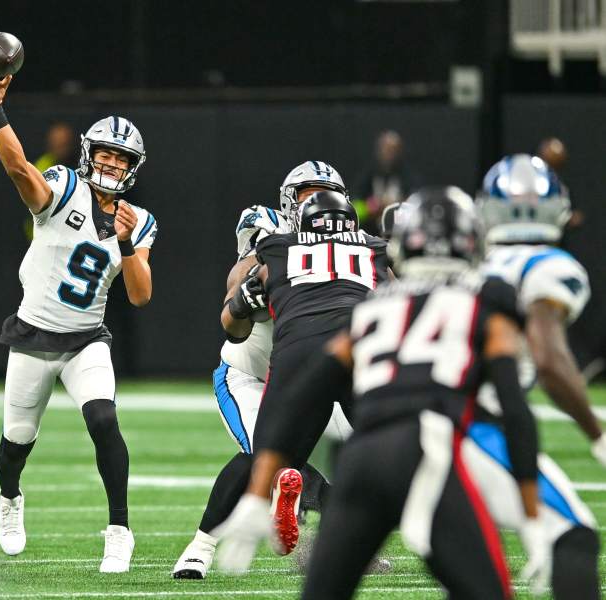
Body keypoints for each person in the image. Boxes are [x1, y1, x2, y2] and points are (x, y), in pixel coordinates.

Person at [217, 188, 547, 600]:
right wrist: (532, 517)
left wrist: (256, 492)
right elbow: (515, 411)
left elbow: (303, 393)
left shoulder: (372, 309)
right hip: (428, 454)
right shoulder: (483, 297)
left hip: (363, 464)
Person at [0, 62, 157, 573]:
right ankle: (9, 497)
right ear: (88, 155)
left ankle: (119, 529)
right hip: (33, 335)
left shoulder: (138, 220)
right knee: (15, 445)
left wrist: (125, 244)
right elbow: (20, 173)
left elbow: (140, 295)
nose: (112, 165)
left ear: (133, 167)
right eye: (105, 154)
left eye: (122, 159)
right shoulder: (63, 185)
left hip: (84, 340)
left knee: (103, 417)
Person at [172, 161, 354, 579]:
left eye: (324, 194)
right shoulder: (269, 233)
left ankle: (333, 545)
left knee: (362, 455)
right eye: (307, 194)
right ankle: (199, 549)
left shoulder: (354, 247)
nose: (317, 205)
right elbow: (237, 287)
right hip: (250, 376)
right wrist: (250, 287)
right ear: (290, 201)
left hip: (316, 380)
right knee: (262, 455)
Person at [215, 187, 390, 557]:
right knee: (390, 446)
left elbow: (231, 321)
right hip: (358, 350)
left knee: (270, 452)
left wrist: (243, 300)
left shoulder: (278, 248)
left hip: (297, 352)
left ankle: (274, 496)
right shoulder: (373, 247)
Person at [474, 154, 601, 599]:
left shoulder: (466, 262)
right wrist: (597, 433)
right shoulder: (547, 266)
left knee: (471, 568)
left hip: (383, 427)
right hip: (467, 427)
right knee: (575, 535)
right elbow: (548, 360)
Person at [354, 130, 419, 235]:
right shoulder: (368, 176)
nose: (389, 153)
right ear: (379, 150)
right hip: (370, 233)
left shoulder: (408, 177)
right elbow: (355, 208)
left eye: (393, 149)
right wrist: (371, 206)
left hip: (398, 232)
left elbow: (415, 204)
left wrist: (395, 205)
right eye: (386, 149)